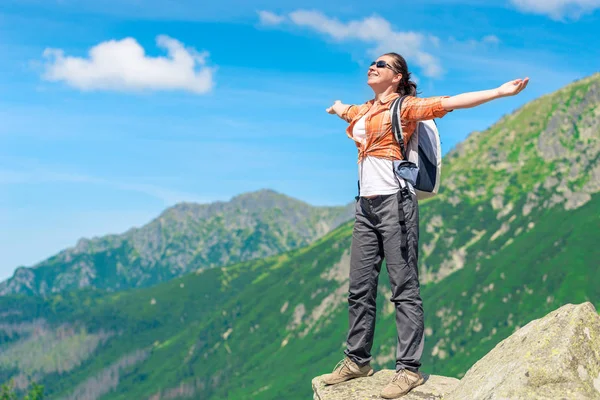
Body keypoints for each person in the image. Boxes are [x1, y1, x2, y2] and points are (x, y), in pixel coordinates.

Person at [323, 52, 529, 399]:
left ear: (398, 76)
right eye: (372, 63)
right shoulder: (364, 109)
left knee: (404, 287)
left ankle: (408, 370)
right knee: (359, 287)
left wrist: (499, 92)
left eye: (382, 65)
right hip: (365, 206)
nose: (372, 67)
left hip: (396, 204)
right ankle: (357, 360)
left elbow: (450, 102)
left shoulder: (406, 108)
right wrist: (337, 106)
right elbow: (346, 111)